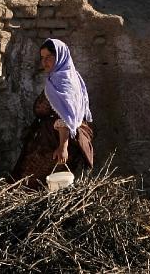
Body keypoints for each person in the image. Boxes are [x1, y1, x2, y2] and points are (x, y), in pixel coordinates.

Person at [11, 38, 94, 189]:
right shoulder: (66, 77)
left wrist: (63, 147)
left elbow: (66, 117)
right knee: (41, 186)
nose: (45, 62)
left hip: (56, 143)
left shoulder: (63, 81)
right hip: (50, 141)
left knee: (36, 184)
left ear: (60, 56)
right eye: (42, 58)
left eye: (49, 57)